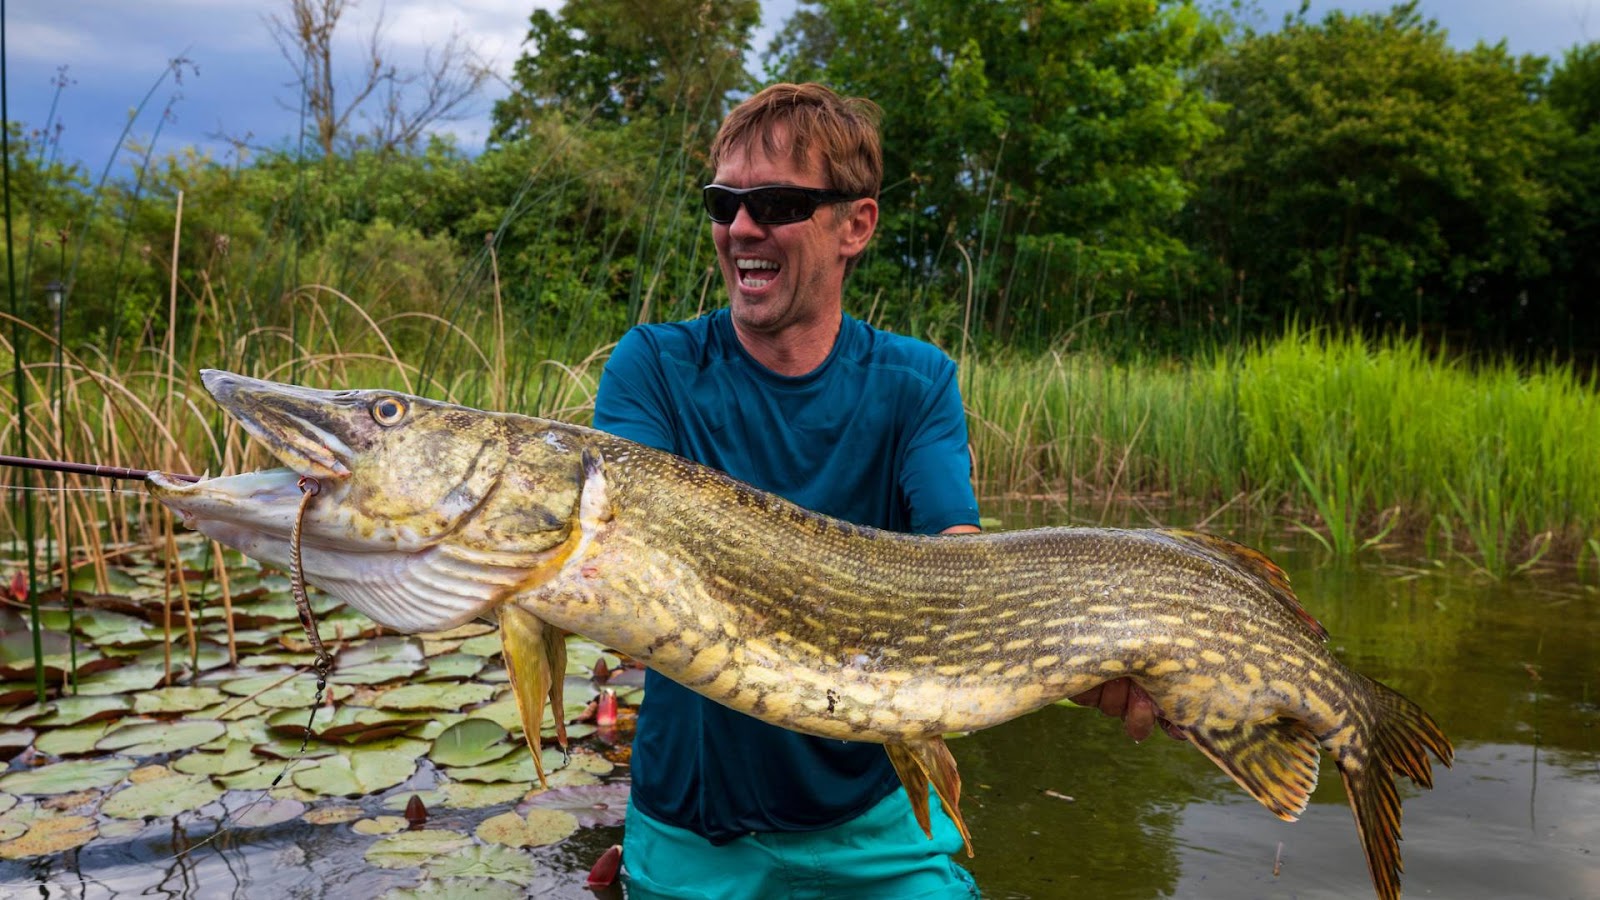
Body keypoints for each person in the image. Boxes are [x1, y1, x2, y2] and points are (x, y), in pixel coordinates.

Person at [592, 82, 1168, 900]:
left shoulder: (915, 380)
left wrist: (1088, 655)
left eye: (779, 203)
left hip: (878, 826)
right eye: (724, 203)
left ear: (855, 225)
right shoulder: (653, 365)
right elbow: (617, 552)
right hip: (695, 829)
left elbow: (961, 564)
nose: (742, 228)